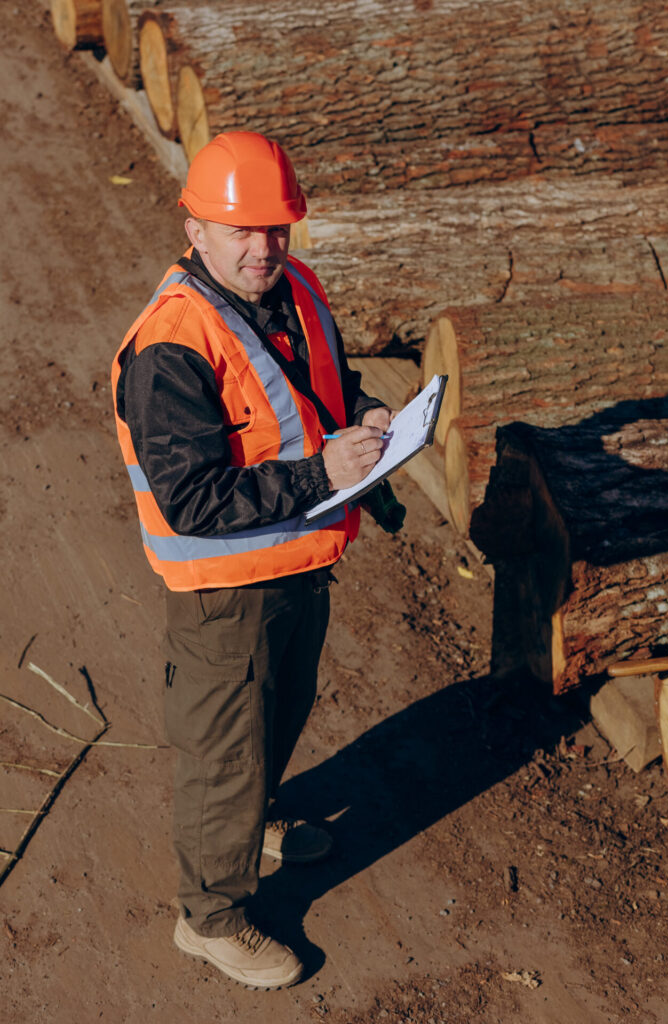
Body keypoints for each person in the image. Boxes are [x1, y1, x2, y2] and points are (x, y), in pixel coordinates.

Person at [111, 131, 399, 990]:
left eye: (275, 228)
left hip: (298, 564)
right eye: (240, 230)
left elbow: (324, 384)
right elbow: (191, 500)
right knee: (222, 752)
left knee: (283, 707)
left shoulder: (294, 288)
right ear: (193, 228)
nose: (263, 248)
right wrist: (322, 474)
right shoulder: (171, 346)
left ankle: (259, 819)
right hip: (221, 592)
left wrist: (371, 414)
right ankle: (211, 917)